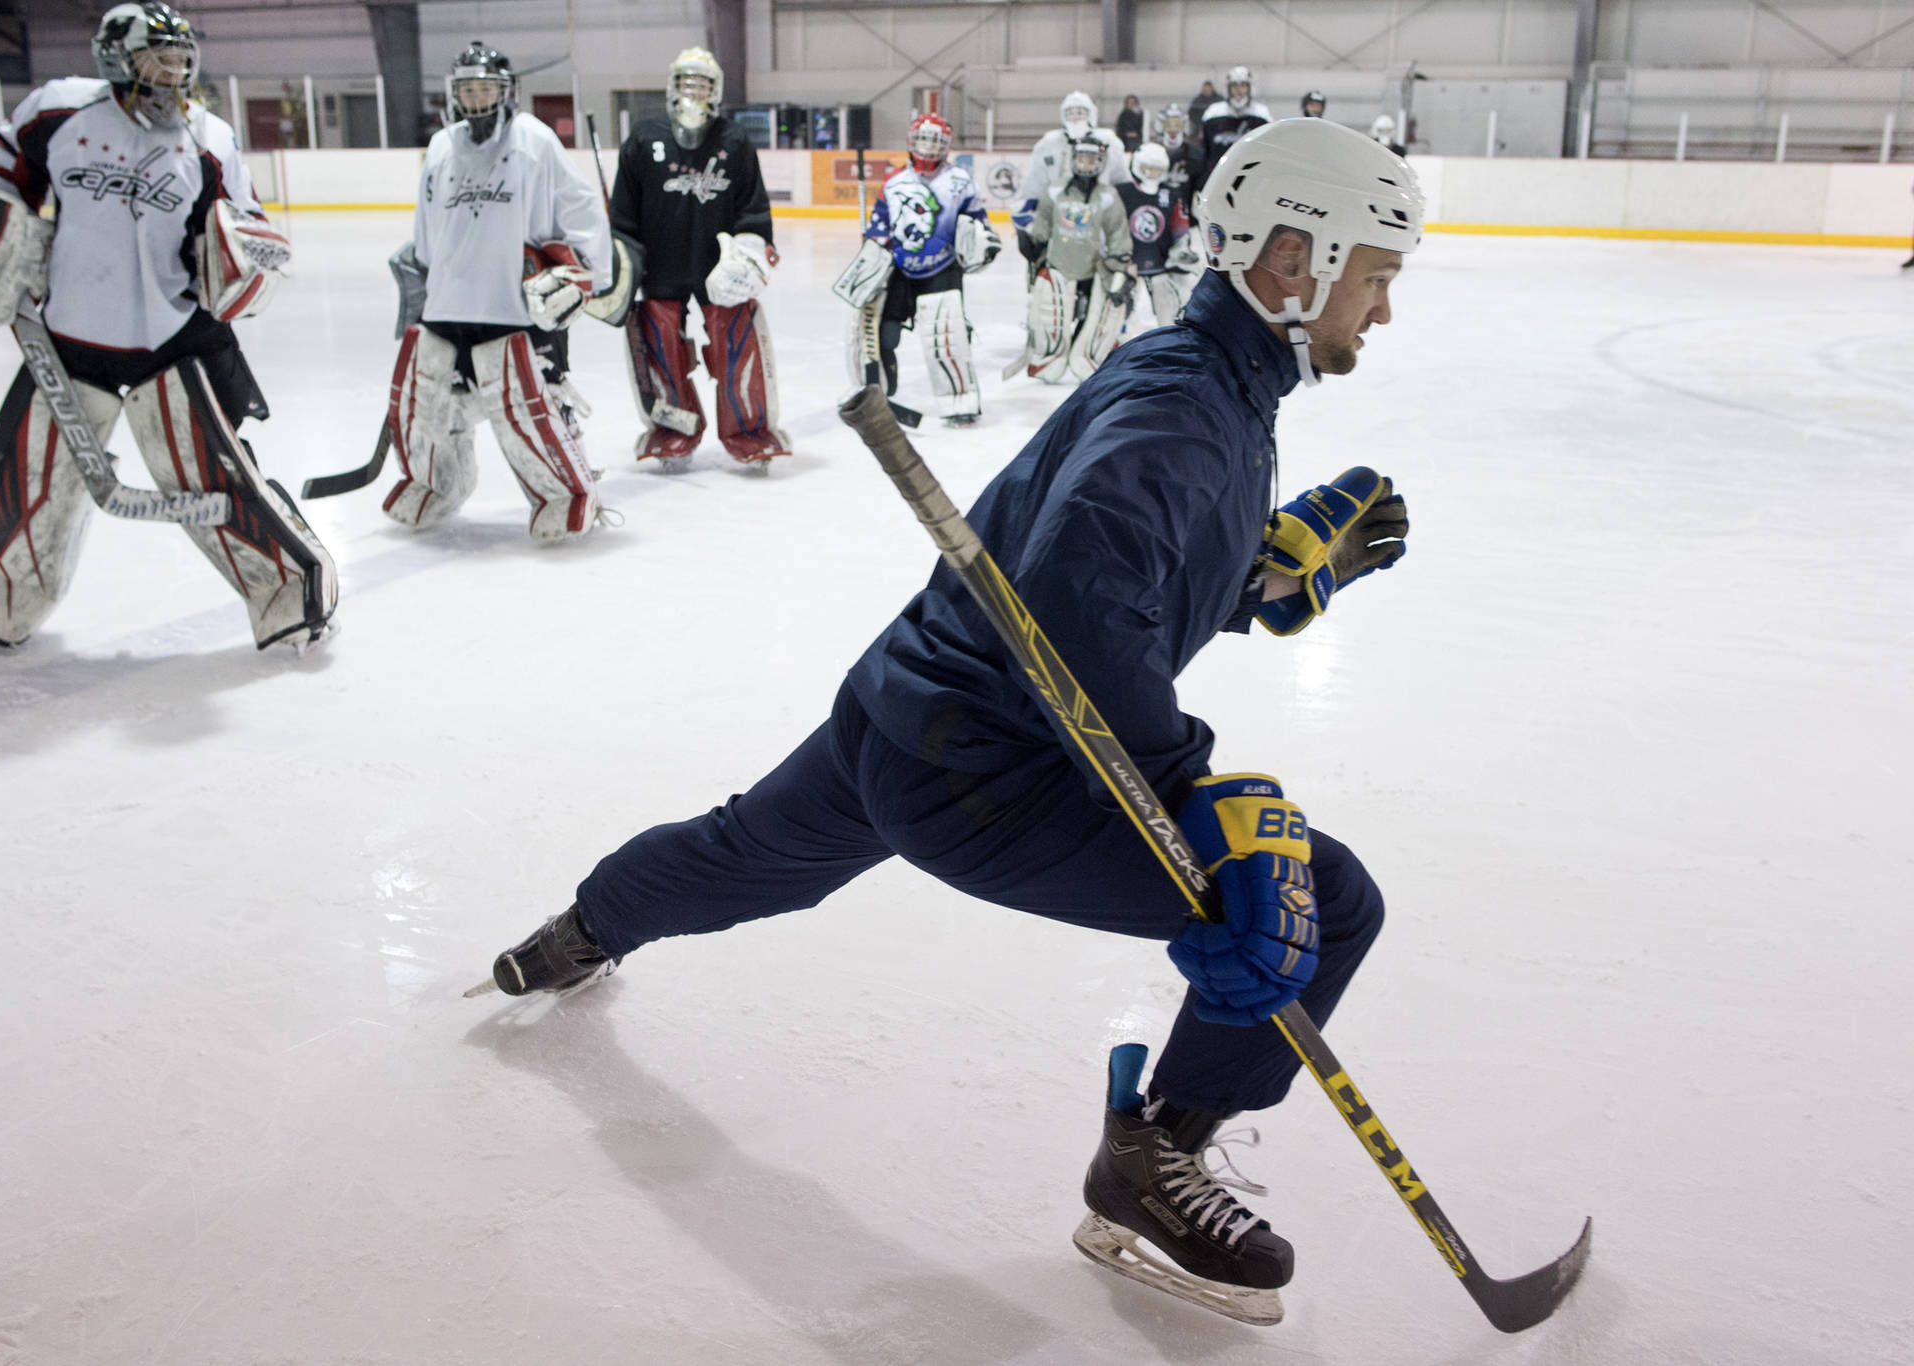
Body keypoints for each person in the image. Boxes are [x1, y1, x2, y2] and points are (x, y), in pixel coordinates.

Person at [478, 116, 1424, 1325]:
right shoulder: (1191, 409)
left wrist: (1253, 577)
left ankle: (576, 930)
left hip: (899, 710)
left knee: (743, 854)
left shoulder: (1196, 380)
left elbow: (1098, 565)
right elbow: (1080, 605)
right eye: (1373, 277)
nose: (1378, 313)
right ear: (1297, 254)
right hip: (986, 777)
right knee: (1322, 900)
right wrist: (1194, 793)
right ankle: (1152, 1159)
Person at [0, 1, 336, 652]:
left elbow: (248, 223)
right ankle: (0, 601)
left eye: (182, 59)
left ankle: (293, 590)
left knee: (215, 481)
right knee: (31, 479)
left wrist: (242, 254)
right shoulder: (58, 109)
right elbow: (5, 170)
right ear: (118, 58)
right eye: (159, 59)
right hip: (67, 338)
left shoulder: (210, 138)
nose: (174, 72)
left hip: (171, 343)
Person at [378, 42, 612, 544]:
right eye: (468, 89)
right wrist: (423, 273)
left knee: (529, 408)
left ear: (506, 92)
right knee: (431, 406)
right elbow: (427, 229)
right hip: (449, 302)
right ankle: (435, 484)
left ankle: (565, 493)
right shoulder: (442, 146)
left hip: (516, 303)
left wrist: (585, 273)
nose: (477, 98)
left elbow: (580, 206)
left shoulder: (534, 140)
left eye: (486, 88)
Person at [612, 46, 788, 474]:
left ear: (716, 90)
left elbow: (753, 208)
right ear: (672, 85)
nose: (694, 90)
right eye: (687, 81)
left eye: (703, 83)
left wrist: (748, 252)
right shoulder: (643, 138)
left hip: (719, 269)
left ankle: (749, 432)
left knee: (736, 347)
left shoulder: (734, 140)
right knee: (662, 348)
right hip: (660, 265)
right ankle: (674, 429)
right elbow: (622, 215)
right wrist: (623, 265)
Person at [832, 113, 1001, 428]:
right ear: (911, 143)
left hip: (942, 269)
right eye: (923, 141)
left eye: (935, 142)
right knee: (881, 334)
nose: (928, 149)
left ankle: (959, 401)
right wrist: (872, 249)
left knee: (946, 336)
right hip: (899, 270)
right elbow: (879, 225)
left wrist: (981, 243)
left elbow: (978, 222)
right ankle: (879, 393)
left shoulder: (960, 181)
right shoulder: (895, 182)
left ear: (946, 146)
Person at [1016, 138, 1134, 383]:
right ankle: (1049, 358)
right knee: (1051, 321)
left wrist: (1120, 266)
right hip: (1060, 267)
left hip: (1093, 271)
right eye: (1081, 158)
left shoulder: (1108, 196)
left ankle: (1088, 359)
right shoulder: (1055, 190)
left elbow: (1117, 233)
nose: (1086, 164)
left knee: (1093, 326)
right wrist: (1034, 245)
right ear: (1073, 160)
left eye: (1092, 160)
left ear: (1101, 163)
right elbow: (1043, 223)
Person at [1011, 91, 1125, 272]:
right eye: (1070, 113)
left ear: (1092, 115)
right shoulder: (1048, 143)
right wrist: (1028, 214)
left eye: (1081, 112)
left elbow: (1121, 182)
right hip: (1058, 215)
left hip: (1096, 215)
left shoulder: (1108, 142)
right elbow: (1036, 184)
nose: (1075, 118)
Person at [1117, 142, 1201, 328]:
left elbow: (1180, 230)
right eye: (1147, 168)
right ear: (1137, 166)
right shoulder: (1122, 192)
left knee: (1168, 317)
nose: (1151, 174)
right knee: (1123, 320)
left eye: (1156, 169)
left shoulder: (1171, 195)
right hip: (1127, 270)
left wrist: (1180, 252)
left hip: (1161, 269)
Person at [1199, 66, 1271, 179]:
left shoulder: (1261, 115)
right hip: (1218, 177)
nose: (1239, 90)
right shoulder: (1213, 114)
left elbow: (1267, 152)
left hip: (1251, 177)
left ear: (1250, 88)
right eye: (1234, 86)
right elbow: (1204, 151)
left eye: (1243, 85)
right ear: (1228, 88)